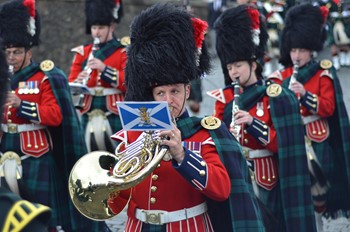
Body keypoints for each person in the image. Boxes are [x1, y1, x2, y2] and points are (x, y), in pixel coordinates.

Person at [108, 3, 265, 231]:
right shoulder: (132, 134)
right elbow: (116, 201)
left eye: (175, 91)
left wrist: (182, 155)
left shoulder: (204, 133)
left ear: (187, 91)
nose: (168, 100)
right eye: (160, 93)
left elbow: (221, 189)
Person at [0, 0, 108, 231]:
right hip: (4, 150)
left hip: (35, 156)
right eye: (7, 52)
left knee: (42, 215)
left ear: (29, 51)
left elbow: (56, 116)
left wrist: (22, 104)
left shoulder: (45, 76)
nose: (11, 58)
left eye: (17, 52)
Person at [208, 4, 317, 231]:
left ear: (253, 63)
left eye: (238, 65)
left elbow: (283, 144)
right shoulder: (224, 98)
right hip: (235, 175)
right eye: (229, 67)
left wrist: (253, 123)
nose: (233, 73)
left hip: (267, 177)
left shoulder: (273, 95)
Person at [268, 3, 350, 231]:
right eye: (293, 50)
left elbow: (328, 108)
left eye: (301, 50)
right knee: (297, 196)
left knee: (319, 196)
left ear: (311, 48)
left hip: (318, 141)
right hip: (292, 142)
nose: (296, 56)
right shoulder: (279, 77)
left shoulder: (323, 72)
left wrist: (304, 95)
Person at [68, 0, 127, 153]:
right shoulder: (83, 52)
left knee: (118, 155)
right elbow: (70, 83)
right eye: (94, 28)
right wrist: (78, 81)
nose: (97, 32)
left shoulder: (123, 52)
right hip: (89, 109)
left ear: (112, 27)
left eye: (101, 28)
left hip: (114, 111)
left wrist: (104, 69)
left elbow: (129, 83)